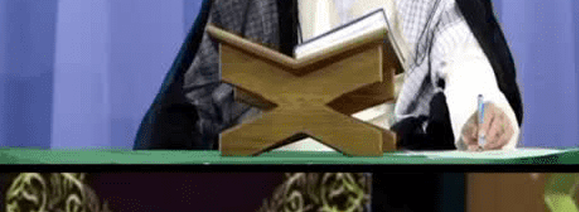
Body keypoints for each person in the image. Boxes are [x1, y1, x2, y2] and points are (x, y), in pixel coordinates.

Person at [134, 0, 523, 151]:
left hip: (391, 175)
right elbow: (198, 96)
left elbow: (462, 53)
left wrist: (481, 112)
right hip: (275, 171)